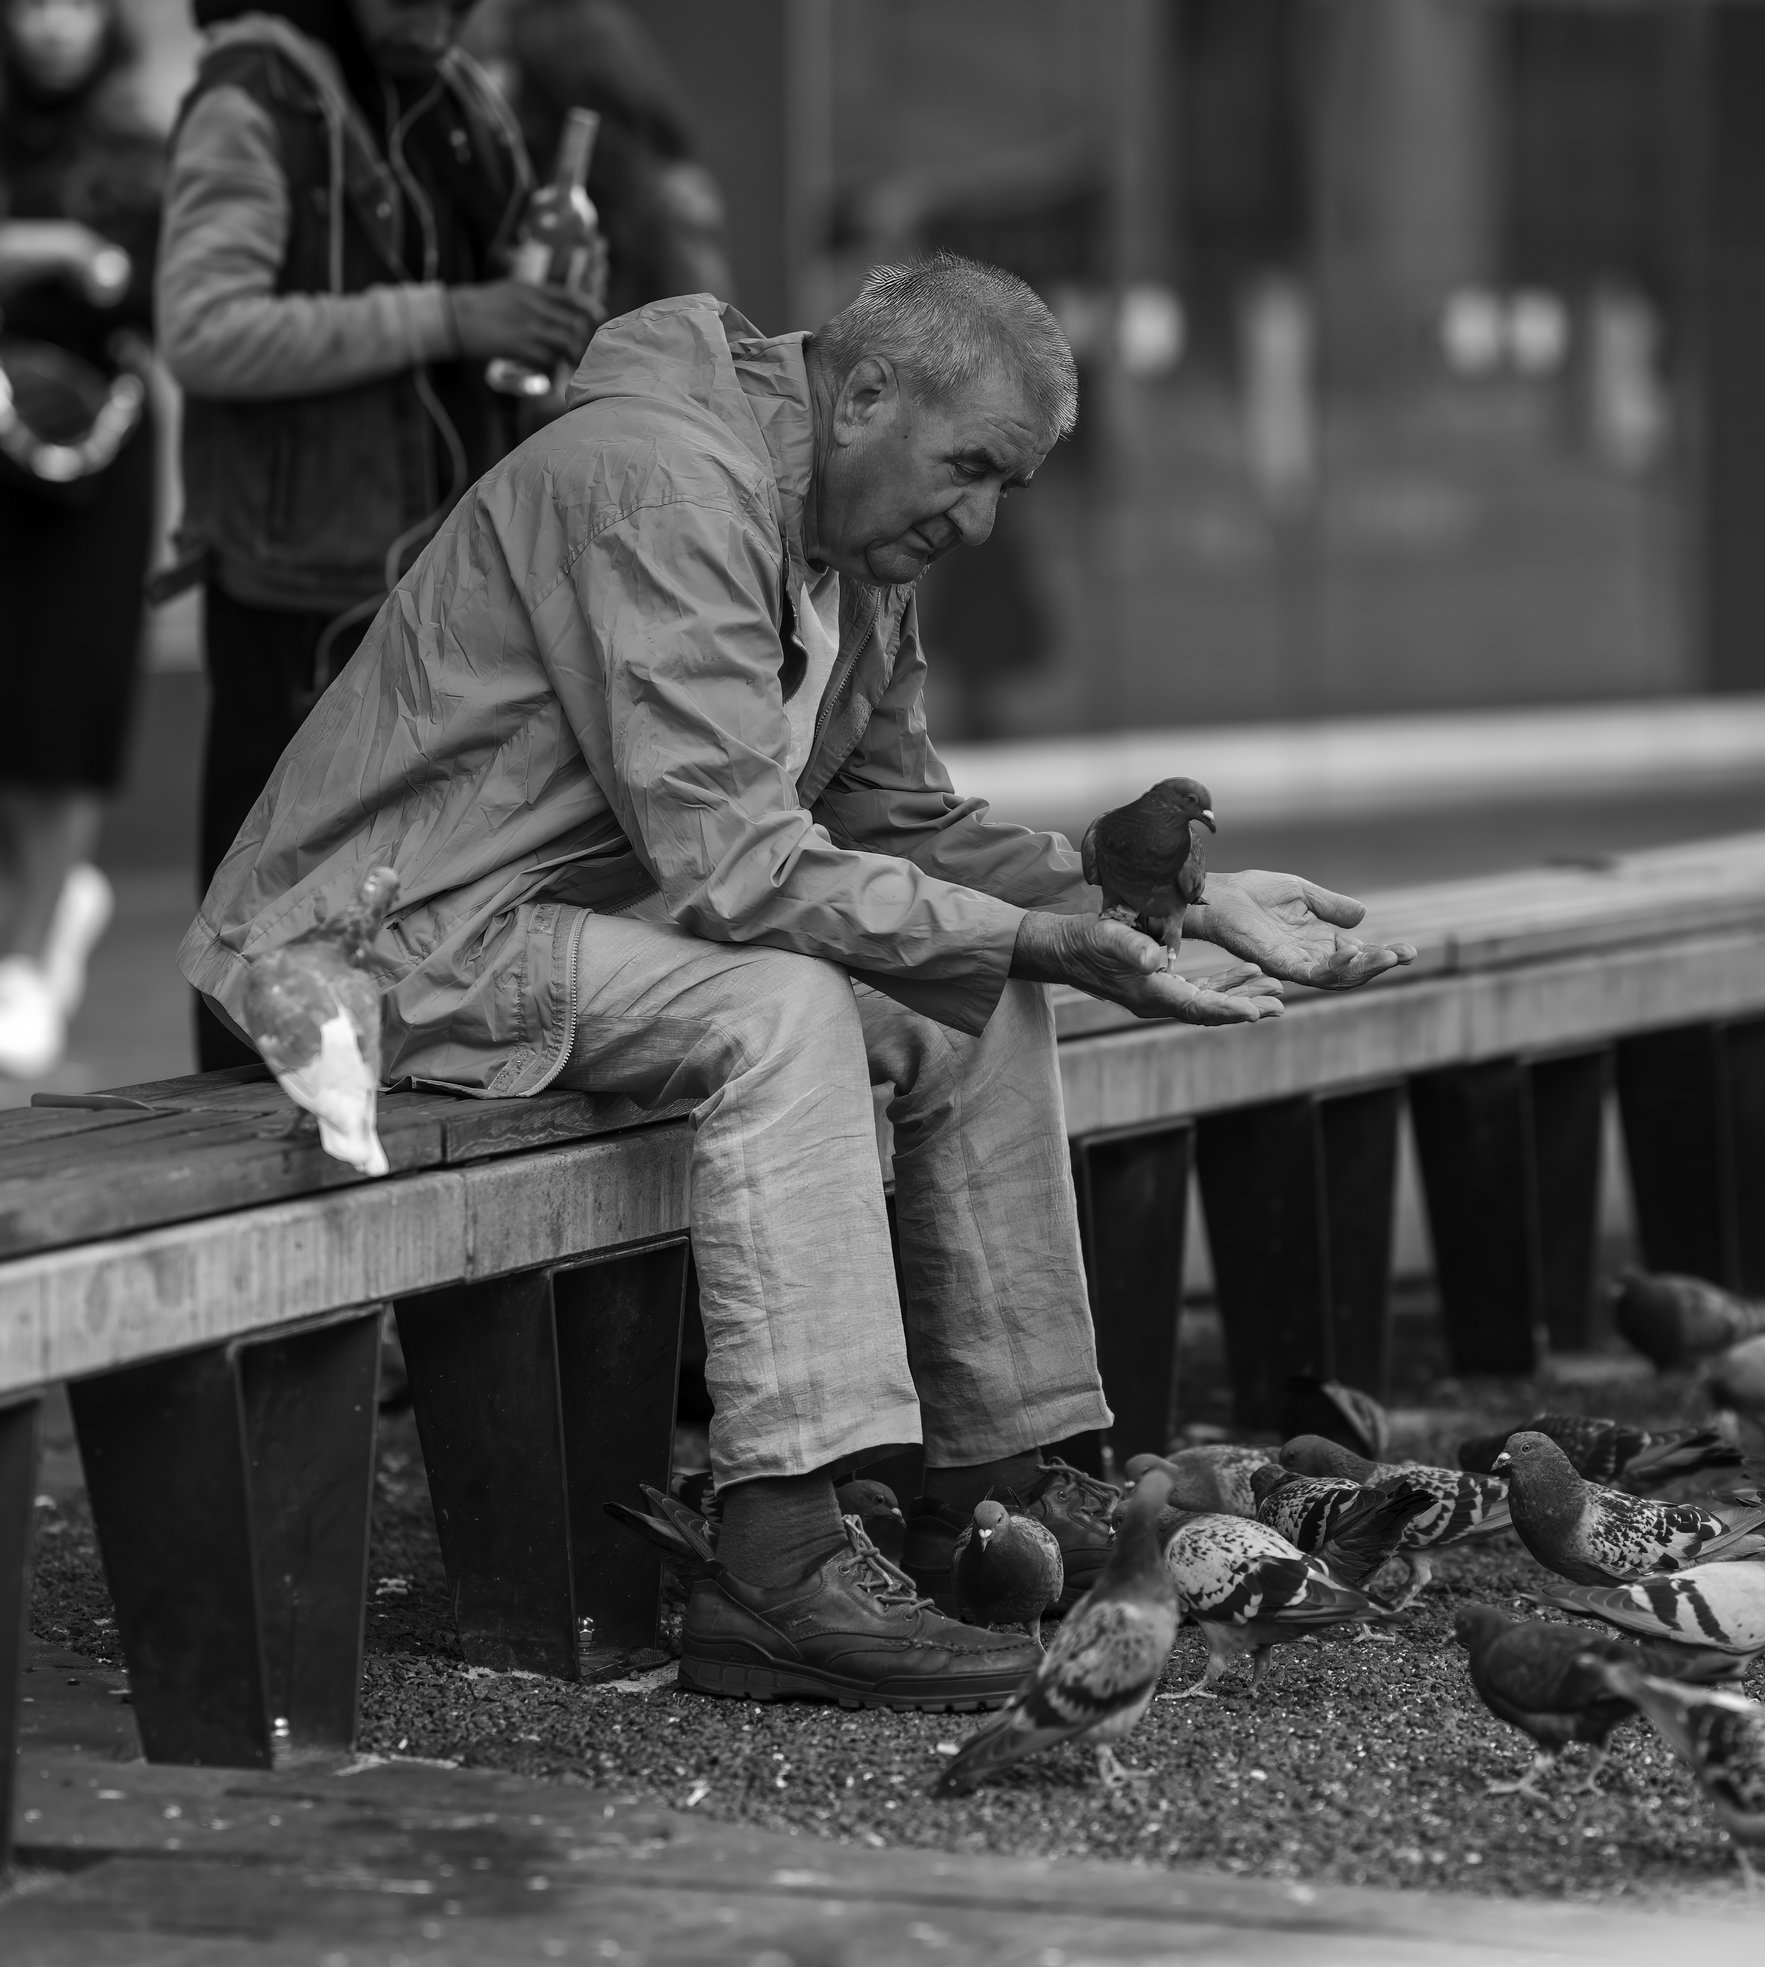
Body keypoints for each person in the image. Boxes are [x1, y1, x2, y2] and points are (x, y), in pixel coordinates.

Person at [180, 255, 1414, 1710]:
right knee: (791, 1008)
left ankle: (996, 1492)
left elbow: (896, 822)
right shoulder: (667, 487)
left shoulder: (838, 539)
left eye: (1008, 487)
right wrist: (1026, 931)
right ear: (866, 391)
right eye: (969, 469)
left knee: (961, 1005)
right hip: (370, 948)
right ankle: (776, 1558)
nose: (978, 521)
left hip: (556, 925)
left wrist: (1164, 894)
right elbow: (738, 863)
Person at [155, 0, 600, 1069]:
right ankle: (246, 1182)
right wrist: (456, 314)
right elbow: (205, 331)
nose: (443, 13)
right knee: (265, 944)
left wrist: (552, 305)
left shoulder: (459, 97)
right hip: (305, 588)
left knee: (418, 920)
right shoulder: (253, 95)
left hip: (450, 582)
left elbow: (509, 307)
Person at [0, 0, 160, 1077]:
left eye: (76, 3)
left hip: (96, 458)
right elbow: (95, 272)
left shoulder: (141, 149)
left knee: (69, 698)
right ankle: (36, 910)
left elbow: (154, 294)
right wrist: (57, 245)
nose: (53, 25)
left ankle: (31, 940)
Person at [464, 0, 732, 317]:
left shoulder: (669, 204)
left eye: (502, 59)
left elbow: (705, 344)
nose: (486, 78)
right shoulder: (514, 192)